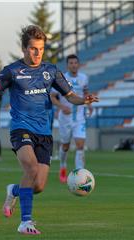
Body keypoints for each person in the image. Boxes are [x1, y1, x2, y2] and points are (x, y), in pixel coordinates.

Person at [0, 25, 98, 235]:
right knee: (31, 169)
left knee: (39, 186)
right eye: (34, 49)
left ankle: (14, 190)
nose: (37, 53)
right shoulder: (12, 71)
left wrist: (83, 100)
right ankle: (25, 222)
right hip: (21, 129)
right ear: (24, 49)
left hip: (44, 133)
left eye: (41, 49)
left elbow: (70, 95)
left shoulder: (51, 71)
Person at [50, 54, 93, 183]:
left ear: (78, 64)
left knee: (80, 144)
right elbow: (52, 97)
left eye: (75, 63)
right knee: (65, 146)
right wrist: (62, 107)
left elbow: (85, 93)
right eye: (71, 63)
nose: (73, 65)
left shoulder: (83, 78)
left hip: (79, 117)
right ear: (67, 65)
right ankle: (63, 165)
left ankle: (79, 174)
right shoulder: (61, 78)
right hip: (65, 118)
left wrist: (89, 104)